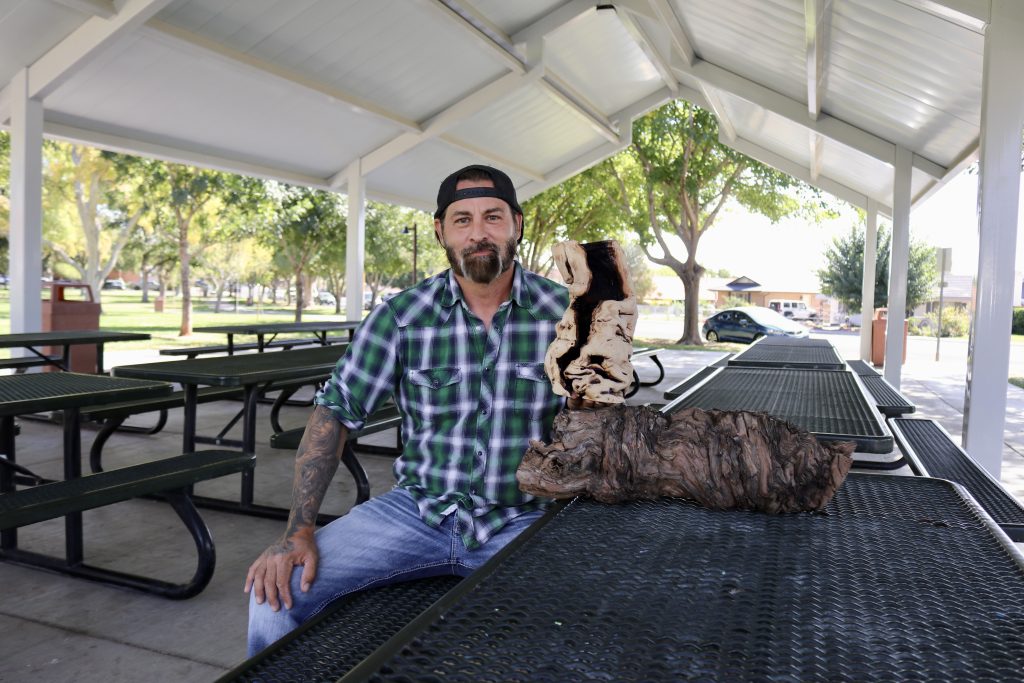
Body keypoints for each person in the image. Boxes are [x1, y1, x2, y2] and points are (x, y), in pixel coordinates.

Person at [244, 164, 569, 654]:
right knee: (274, 594)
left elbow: (602, 424)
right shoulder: (401, 317)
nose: (478, 233)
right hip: (416, 514)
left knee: (593, 616)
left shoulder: (566, 314)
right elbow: (334, 413)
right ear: (440, 231)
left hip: (525, 518)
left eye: (492, 217)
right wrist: (298, 531)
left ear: (517, 225)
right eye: (462, 220)